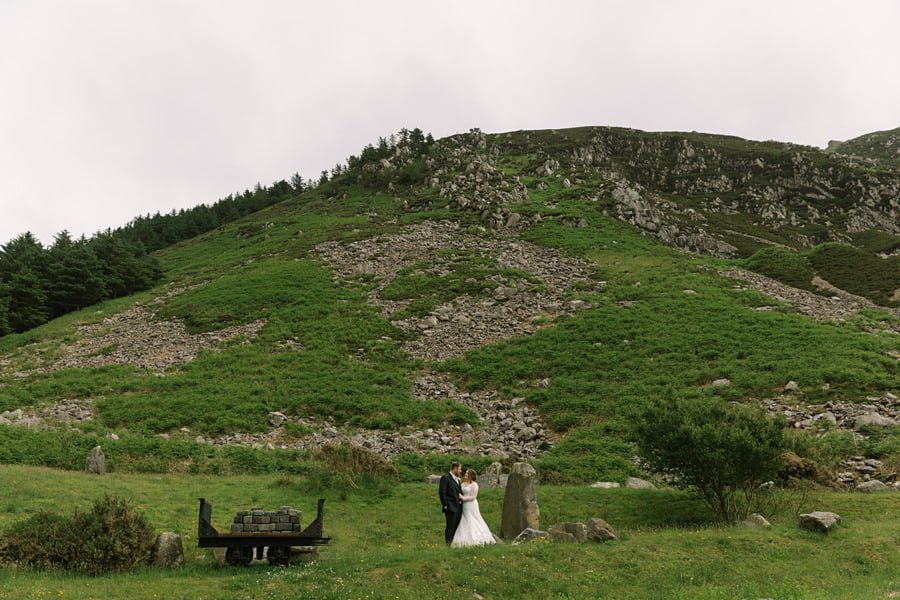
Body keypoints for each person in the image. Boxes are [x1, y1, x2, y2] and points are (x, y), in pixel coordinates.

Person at [451, 468, 497, 548]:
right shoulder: (462, 484)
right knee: (464, 518)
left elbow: (473, 496)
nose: (465, 475)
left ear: (470, 476)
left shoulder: (474, 485)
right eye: (465, 473)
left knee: (473, 518)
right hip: (464, 505)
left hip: (471, 504)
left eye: (466, 474)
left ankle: (477, 538)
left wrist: (463, 498)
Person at [438, 461, 463, 545]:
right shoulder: (445, 478)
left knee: (456, 526)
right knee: (450, 527)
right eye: (459, 469)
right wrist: (446, 505)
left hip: (458, 508)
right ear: (455, 469)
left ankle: (453, 543)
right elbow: (442, 493)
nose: (460, 471)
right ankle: (448, 543)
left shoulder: (457, 480)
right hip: (451, 507)